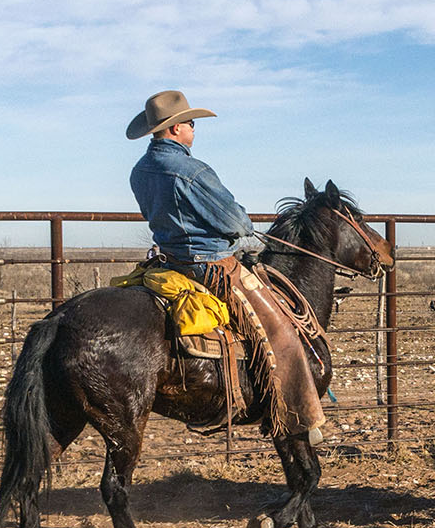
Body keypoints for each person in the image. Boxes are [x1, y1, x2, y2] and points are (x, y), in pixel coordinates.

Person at [127, 91, 325, 441]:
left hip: (169, 262)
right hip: (210, 265)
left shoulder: (140, 171)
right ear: (173, 129)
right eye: (189, 123)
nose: (193, 128)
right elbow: (234, 221)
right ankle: (297, 415)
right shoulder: (193, 170)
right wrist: (245, 225)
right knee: (280, 330)